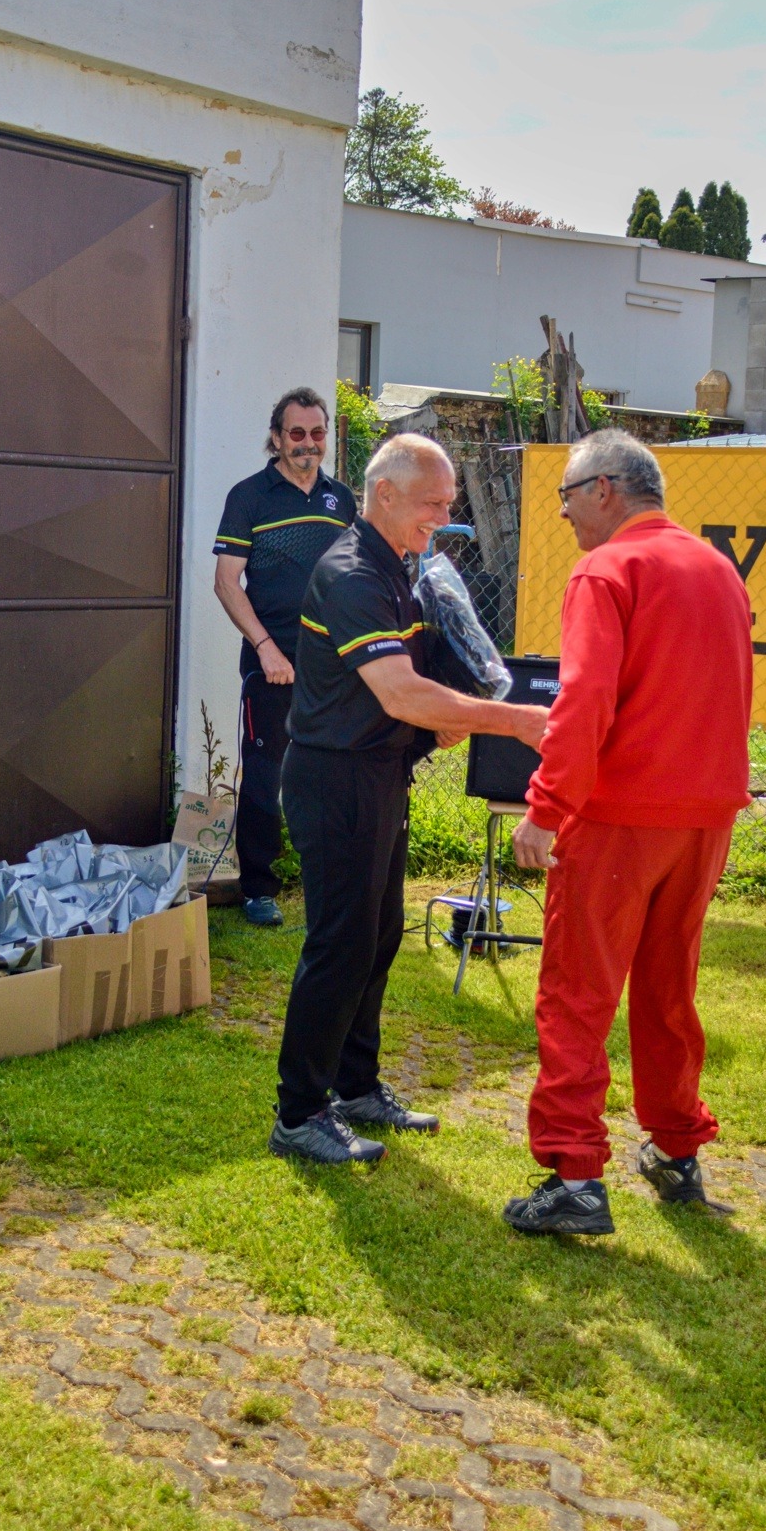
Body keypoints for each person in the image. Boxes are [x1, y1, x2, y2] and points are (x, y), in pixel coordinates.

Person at [269, 434, 550, 1165]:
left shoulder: (401, 565)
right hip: (336, 781)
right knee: (340, 944)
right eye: (434, 503)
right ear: (385, 494)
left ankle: (356, 1086)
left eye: (450, 503)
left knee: (379, 935)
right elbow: (398, 692)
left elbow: (414, 687)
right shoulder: (351, 573)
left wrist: (442, 721)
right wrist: (515, 720)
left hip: (381, 774)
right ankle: (299, 1114)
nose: (446, 517)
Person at [505, 428, 753, 1236]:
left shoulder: (606, 570)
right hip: (704, 816)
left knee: (576, 994)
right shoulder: (717, 568)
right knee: (668, 990)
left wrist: (545, 808)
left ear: (605, 490)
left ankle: (575, 1175)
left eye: (568, 495)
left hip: (619, 817)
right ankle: (677, 1151)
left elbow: (583, 702)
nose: (564, 513)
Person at [214, 388, 357, 927]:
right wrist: (265, 647)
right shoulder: (249, 497)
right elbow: (226, 583)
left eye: (317, 433)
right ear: (276, 437)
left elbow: (353, 576)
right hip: (272, 662)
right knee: (264, 774)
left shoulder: (341, 500)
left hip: (332, 663)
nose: (308, 444)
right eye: (296, 433)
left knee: (334, 772)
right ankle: (258, 888)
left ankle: (332, 875)